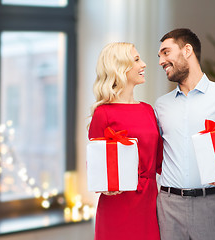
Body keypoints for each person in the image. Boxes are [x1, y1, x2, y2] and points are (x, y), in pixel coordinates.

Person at [155, 28, 215, 240]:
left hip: (212, 205)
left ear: (187, 50)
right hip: (168, 206)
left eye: (166, 52)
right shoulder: (160, 106)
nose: (161, 61)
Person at [88, 42, 163, 240]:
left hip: (149, 203)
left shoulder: (148, 110)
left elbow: (160, 162)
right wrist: (106, 185)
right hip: (117, 205)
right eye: (137, 60)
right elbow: (95, 166)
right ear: (120, 67)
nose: (144, 64)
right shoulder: (102, 114)